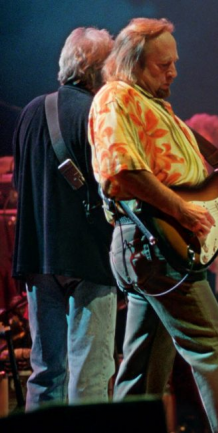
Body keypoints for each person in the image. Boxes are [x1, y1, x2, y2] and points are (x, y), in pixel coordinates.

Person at [88, 18, 218, 433]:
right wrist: (184, 214)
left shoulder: (158, 108)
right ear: (133, 64)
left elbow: (188, 187)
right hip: (152, 244)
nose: (174, 72)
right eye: (163, 65)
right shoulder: (116, 97)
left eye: (174, 63)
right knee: (216, 346)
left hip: (160, 246)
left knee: (144, 370)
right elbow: (118, 174)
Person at [12, 27, 117, 410]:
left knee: (45, 372)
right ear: (98, 69)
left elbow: (22, 182)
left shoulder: (28, 112)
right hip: (88, 256)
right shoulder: (97, 114)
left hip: (38, 257)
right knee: (89, 377)